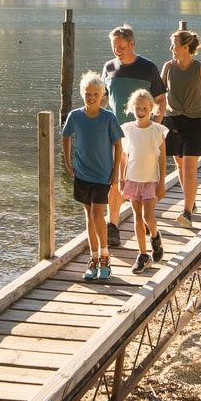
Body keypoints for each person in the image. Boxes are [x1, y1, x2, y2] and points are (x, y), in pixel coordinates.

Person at [100, 24, 164, 249]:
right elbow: (104, 98)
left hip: (142, 136)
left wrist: (154, 129)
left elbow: (160, 100)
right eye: (113, 46)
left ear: (132, 44)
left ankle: (148, 223)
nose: (116, 49)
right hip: (115, 134)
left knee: (143, 180)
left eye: (120, 46)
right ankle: (113, 226)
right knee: (116, 180)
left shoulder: (148, 68)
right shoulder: (108, 68)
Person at [61, 71, 124, 282]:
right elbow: (66, 136)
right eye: (88, 93)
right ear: (82, 94)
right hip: (82, 173)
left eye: (95, 94)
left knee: (98, 214)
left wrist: (116, 172)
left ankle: (105, 257)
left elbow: (118, 145)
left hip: (102, 175)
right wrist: (68, 162)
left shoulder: (109, 118)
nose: (91, 97)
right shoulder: (75, 116)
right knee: (89, 217)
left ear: (102, 95)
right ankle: (93, 257)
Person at [161, 29, 201, 224]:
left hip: (195, 122)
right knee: (179, 165)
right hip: (172, 122)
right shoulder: (168, 67)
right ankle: (191, 200)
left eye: (174, 45)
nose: (171, 48)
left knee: (189, 165)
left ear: (186, 47)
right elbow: (159, 94)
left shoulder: (200, 69)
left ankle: (187, 211)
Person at [118, 88, 168, 274]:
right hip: (132, 178)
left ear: (151, 108)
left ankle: (155, 236)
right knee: (137, 218)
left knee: (148, 217)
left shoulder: (157, 131)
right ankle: (143, 255)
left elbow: (162, 159)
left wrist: (162, 183)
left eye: (144, 108)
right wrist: (121, 178)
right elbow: (124, 156)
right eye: (137, 108)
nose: (140, 111)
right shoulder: (128, 129)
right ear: (132, 108)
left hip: (151, 181)